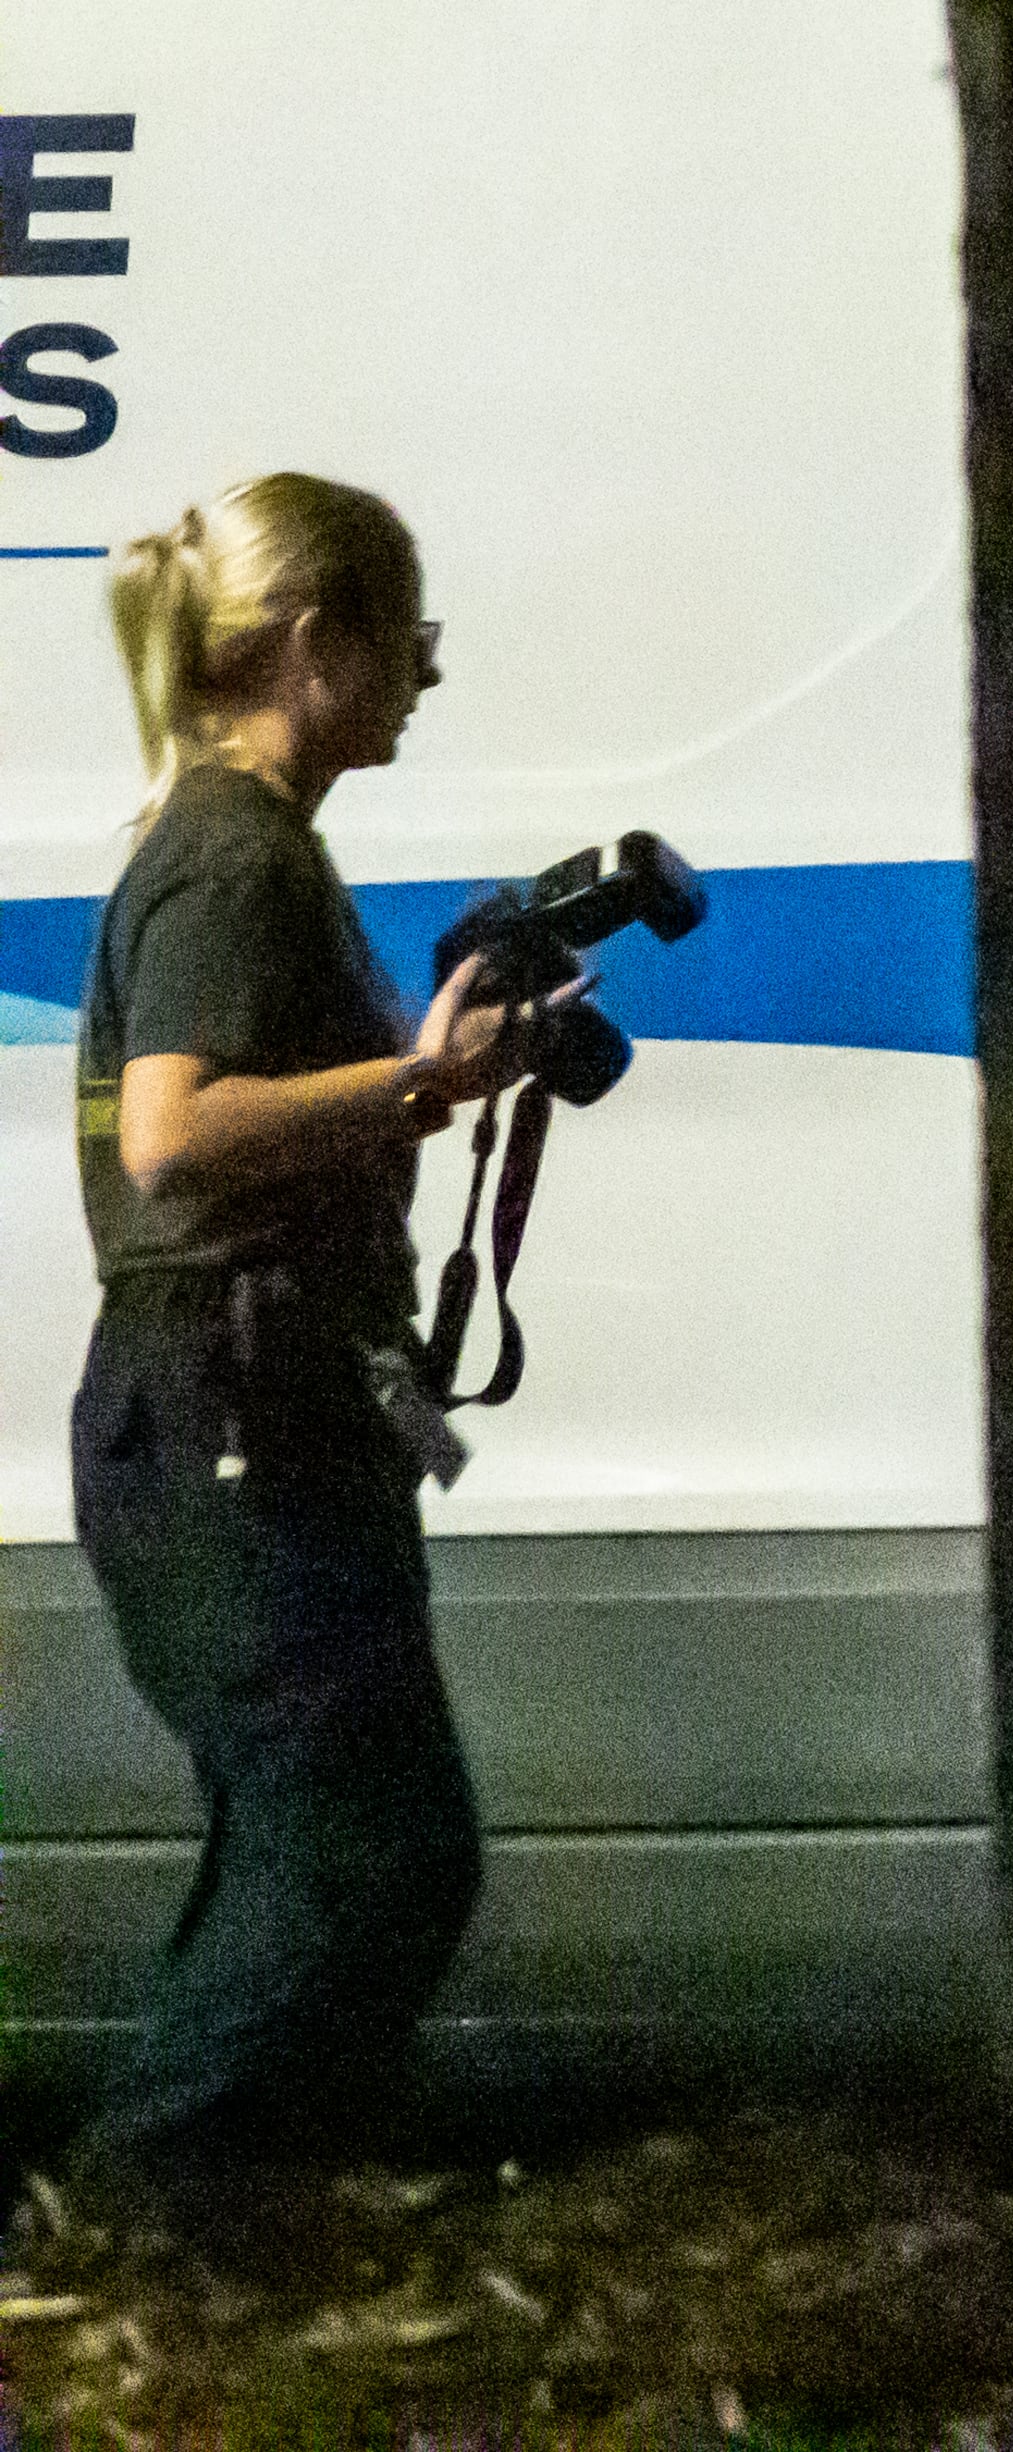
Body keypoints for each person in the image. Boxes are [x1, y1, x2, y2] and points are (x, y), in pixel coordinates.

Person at [63, 474, 548, 2256]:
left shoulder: (242, 840)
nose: (429, 667)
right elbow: (175, 1138)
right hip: (229, 1423)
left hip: (257, 1416)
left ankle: (230, 2234)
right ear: (316, 644)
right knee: (359, 1854)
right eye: (407, 631)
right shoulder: (230, 852)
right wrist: (420, 1084)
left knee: (330, 1849)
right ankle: (151, 2219)